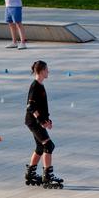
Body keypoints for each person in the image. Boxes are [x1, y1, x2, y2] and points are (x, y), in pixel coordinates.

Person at [24, 61, 64, 189]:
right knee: (48, 145)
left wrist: (47, 120)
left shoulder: (40, 85)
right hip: (34, 122)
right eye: (47, 70)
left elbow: (41, 106)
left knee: (40, 147)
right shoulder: (35, 86)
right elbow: (31, 106)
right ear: (41, 71)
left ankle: (30, 173)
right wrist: (41, 121)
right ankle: (48, 176)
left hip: (36, 122)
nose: (48, 72)